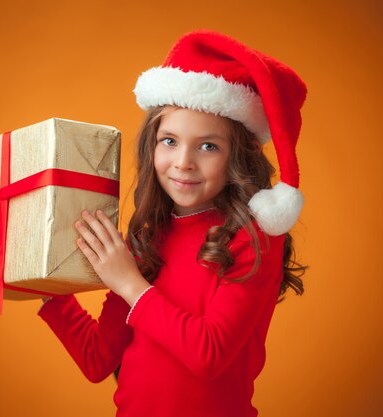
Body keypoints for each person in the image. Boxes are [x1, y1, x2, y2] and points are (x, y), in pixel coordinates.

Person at [37, 29, 308, 417]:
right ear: (152, 145)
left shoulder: (254, 236)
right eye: (169, 141)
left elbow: (209, 355)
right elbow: (98, 359)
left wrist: (129, 283)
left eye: (208, 146)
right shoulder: (147, 238)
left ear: (238, 157)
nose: (183, 162)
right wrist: (45, 286)